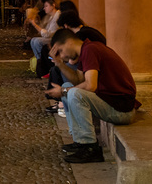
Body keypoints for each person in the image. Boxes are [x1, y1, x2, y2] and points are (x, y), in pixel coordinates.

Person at [44, 28, 140, 163]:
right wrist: (59, 63)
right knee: (68, 88)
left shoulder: (91, 50)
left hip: (122, 110)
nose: (62, 56)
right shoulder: (86, 50)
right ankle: (79, 141)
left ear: (69, 42)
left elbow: (90, 85)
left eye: (60, 51)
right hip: (112, 104)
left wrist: (63, 92)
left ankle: (89, 147)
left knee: (73, 93)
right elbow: (79, 80)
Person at [27, 0, 60, 65]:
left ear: (53, 5)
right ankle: (40, 61)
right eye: (44, 6)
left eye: (46, 6)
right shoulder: (50, 16)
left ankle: (43, 62)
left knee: (36, 41)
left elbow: (47, 34)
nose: (44, 8)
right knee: (33, 40)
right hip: (51, 37)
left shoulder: (57, 16)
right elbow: (44, 30)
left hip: (56, 39)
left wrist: (35, 24)